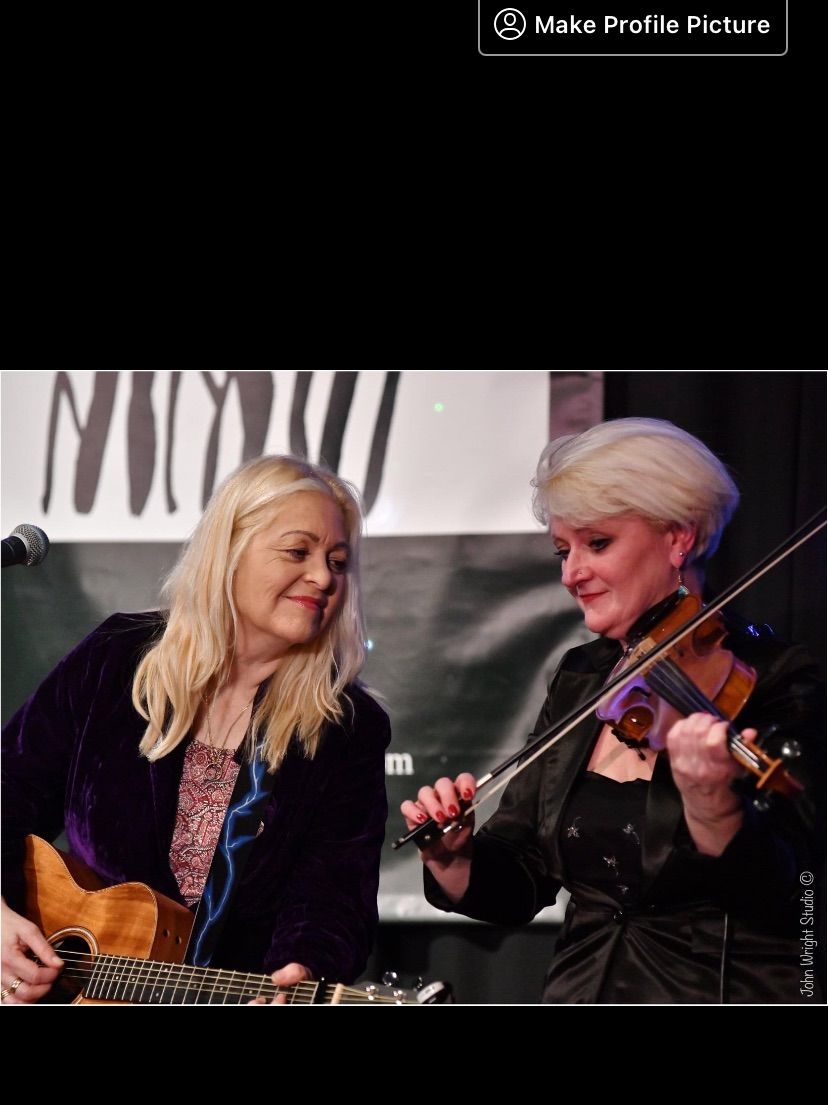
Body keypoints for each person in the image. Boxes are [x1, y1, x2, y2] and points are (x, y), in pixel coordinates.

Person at [401, 418, 822, 1004]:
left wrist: (712, 806)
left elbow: (794, 890)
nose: (571, 573)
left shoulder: (777, 680)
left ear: (680, 536)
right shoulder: (584, 677)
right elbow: (523, 876)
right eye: (563, 550)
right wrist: (455, 861)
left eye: (597, 544)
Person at [2, 456, 390, 1004]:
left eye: (338, 560)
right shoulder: (118, 658)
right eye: (298, 552)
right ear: (228, 550)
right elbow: (7, 790)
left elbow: (334, 890)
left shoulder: (346, 727)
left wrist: (301, 972)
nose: (324, 576)